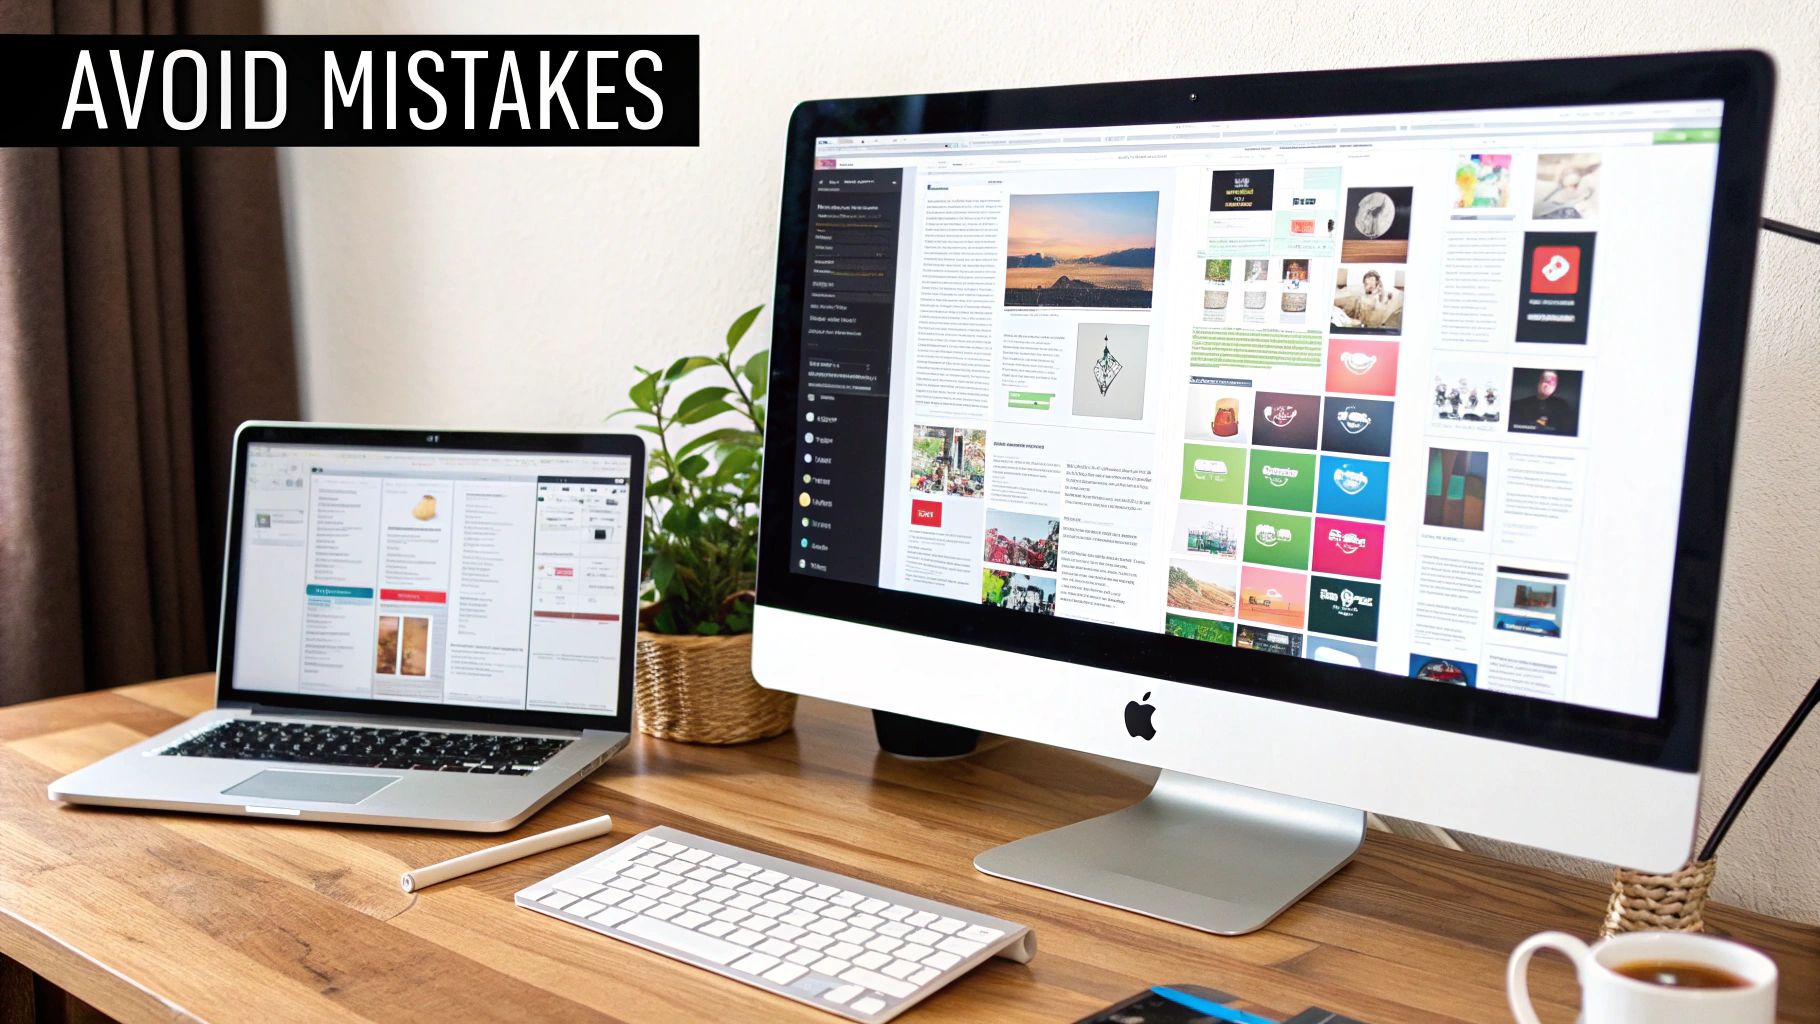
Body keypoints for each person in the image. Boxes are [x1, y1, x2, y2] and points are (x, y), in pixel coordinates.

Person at [1508, 370, 1578, 435]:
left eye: (1553, 382)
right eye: (1545, 380)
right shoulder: (1518, 406)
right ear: (1538, 382)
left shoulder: (1563, 406)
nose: (1548, 384)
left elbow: (1567, 432)